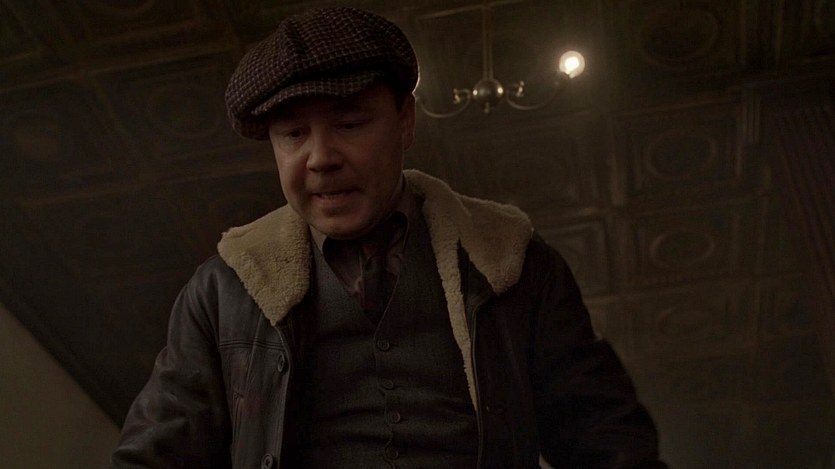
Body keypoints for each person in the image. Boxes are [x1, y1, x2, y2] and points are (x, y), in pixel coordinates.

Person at [111, 7, 665, 469]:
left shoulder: (514, 263)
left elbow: (608, 440)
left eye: (349, 124)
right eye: (293, 133)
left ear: (405, 121)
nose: (321, 158)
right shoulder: (222, 290)